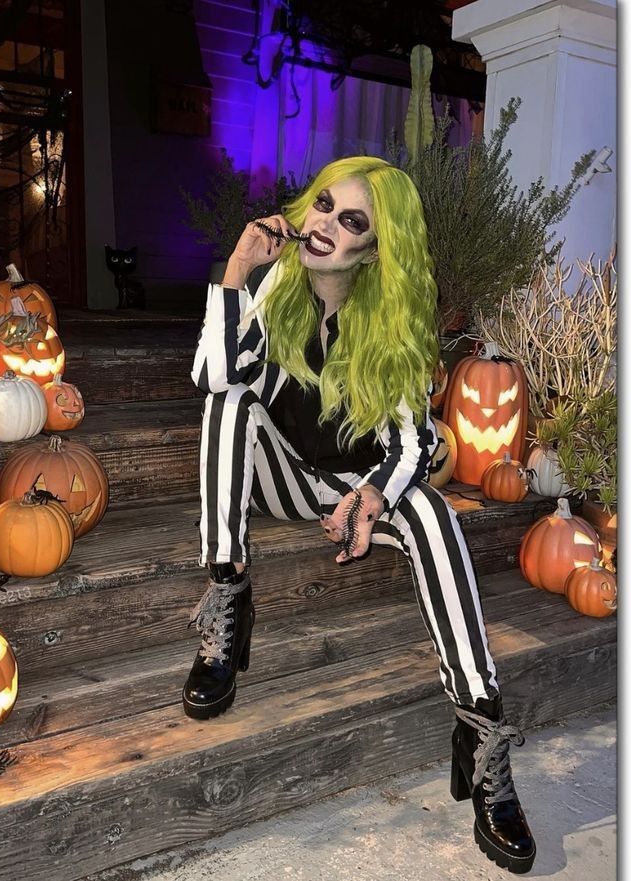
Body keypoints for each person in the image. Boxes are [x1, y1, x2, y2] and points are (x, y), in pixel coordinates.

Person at [183, 155, 536, 874]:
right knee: (231, 402)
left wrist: (373, 494)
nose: (322, 226)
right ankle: (228, 591)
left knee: (432, 510)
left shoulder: (395, 320)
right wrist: (235, 272)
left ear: (373, 248)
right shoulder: (276, 283)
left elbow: (412, 442)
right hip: (281, 480)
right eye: (321, 205)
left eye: (350, 221)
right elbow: (211, 377)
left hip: (354, 490)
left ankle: (481, 726)